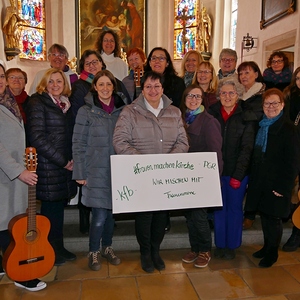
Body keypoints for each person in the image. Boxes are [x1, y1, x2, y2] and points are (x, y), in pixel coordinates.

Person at [113, 71, 189, 273]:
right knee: (145, 216)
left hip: (166, 175)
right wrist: (143, 161)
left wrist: (168, 161)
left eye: (157, 86)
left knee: (162, 216)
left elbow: (183, 141)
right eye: (148, 86)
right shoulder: (130, 112)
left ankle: (156, 250)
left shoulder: (174, 112)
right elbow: (120, 141)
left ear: (163, 89)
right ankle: (145, 252)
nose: (153, 90)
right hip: (142, 174)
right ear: (142, 89)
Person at [0, 63, 46, 291]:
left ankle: (7, 265)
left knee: (7, 221)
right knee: (6, 222)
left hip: (11, 173)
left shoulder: (7, 102)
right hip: (8, 173)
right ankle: (20, 272)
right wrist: (19, 171)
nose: (0, 81)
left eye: (0, 76)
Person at [72, 70, 124, 271]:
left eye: (108, 85)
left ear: (113, 87)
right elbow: (78, 142)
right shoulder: (86, 111)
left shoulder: (123, 110)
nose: (105, 88)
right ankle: (93, 250)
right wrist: (80, 173)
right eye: (101, 84)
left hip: (118, 170)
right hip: (95, 170)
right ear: (95, 87)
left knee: (111, 214)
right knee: (100, 215)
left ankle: (107, 247)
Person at [25, 68, 77, 266]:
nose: (55, 85)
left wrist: (71, 159)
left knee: (58, 210)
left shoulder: (65, 104)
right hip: (49, 166)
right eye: (51, 81)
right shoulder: (38, 102)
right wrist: (63, 161)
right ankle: (49, 250)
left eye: (59, 81)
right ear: (44, 84)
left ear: (65, 84)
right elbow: (37, 138)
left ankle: (58, 246)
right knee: (50, 211)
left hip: (62, 167)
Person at [244, 88, 298, 268]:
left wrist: (283, 188)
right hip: (261, 181)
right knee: (265, 217)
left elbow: (293, 163)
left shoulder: (289, 129)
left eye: (275, 103)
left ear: (282, 105)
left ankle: (272, 253)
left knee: (274, 220)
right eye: (267, 103)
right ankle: (266, 247)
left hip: (277, 183)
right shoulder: (262, 125)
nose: (271, 106)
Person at [208, 77, 256, 260]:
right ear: (219, 95)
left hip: (238, 172)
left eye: (231, 92)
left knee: (235, 209)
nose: (227, 96)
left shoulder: (247, 115)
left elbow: (247, 148)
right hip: (217, 171)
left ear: (238, 94)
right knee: (219, 209)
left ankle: (232, 245)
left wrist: (239, 174)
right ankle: (220, 244)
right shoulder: (211, 114)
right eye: (224, 92)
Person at [180, 84, 223, 268]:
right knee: (189, 215)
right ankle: (195, 248)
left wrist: (215, 178)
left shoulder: (209, 121)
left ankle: (205, 250)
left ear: (203, 100)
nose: (193, 99)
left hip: (202, 178)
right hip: (184, 177)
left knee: (199, 216)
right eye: (190, 96)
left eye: (197, 96)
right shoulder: (180, 118)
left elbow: (216, 152)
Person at [237, 61, 266, 230]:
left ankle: (249, 215)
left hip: (256, 142)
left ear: (256, 73)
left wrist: (238, 109)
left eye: (247, 72)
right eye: (241, 73)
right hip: (241, 141)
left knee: (254, 180)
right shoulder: (242, 93)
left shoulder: (261, 94)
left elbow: (255, 116)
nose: (244, 76)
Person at [281, 67, 300, 252]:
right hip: (294, 147)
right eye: (299, 78)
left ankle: (297, 232)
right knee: (292, 189)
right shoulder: (289, 95)